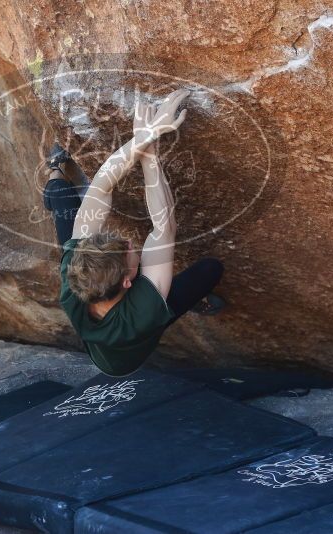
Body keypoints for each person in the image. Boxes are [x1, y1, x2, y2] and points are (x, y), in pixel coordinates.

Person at [44, 89, 225, 377]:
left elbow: (102, 186)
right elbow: (165, 227)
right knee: (210, 270)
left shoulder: (76, 272)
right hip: (123, 358)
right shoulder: (142, 312)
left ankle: (55, 178)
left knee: (66, 210)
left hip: (107, 307)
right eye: (130, 252)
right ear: (130, 282)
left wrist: (144, 137)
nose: (130, 241)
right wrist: (148, 155)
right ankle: (185, 305)